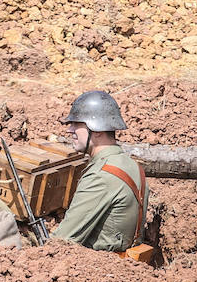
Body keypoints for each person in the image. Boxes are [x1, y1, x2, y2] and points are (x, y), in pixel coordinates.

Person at [52, 90, 147, 252]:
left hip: (100, 266)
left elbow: (63, 241)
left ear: (97, 130)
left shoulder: (101, 175)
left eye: (77, 124)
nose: (70, 130)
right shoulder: (132, 165)